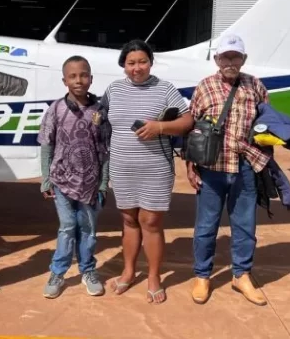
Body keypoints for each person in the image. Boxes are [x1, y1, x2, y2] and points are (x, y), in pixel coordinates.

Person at [101, 39, 194, 304]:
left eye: (142, 61)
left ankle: (154, 276)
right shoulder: (113, 89)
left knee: (151, 222)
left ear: (151, 63)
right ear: (123, 65)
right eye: (131, 63)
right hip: (122, 167)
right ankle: (129, 271)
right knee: (129, 221)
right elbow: (100, 120)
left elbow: (187, 120)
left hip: (155, 168)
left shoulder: (164, 88)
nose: (137, 68)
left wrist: (160, 128)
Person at [186, 33, 269, 306]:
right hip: (212, 168)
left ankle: (241, 275)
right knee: (206, 226)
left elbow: (267, 122)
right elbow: (192, 128)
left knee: (245, 226)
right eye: (225, 57)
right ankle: (202, 275)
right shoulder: (204, 87)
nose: (230, 62)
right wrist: (190, 165)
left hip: (245, 167)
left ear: (244, 59)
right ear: (216, 59)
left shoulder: (255, 86)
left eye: (235, 57)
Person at [37, 55, 110, 299]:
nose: (79, 80)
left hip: (91, 184)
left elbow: (105, 150)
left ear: (91, 78)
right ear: (64, 81)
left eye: (83, 75)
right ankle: (58, 272)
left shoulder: (99, 111)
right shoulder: (56, 109)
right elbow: (47, 145)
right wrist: (46, 179)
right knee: (67, 227)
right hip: (62, 181)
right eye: (73, 76)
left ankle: (88, 270)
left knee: (88, 228)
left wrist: (103, 183)